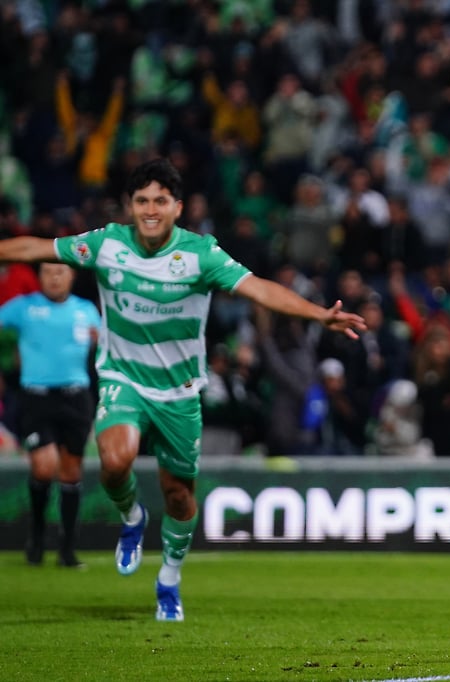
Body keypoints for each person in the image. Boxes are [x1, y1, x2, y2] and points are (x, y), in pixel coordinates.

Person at [0, 158, 365, 621]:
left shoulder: (201, 255)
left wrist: (318, 314)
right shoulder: (106, 244)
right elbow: (36, 248)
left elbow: (260, 290)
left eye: (159, 201)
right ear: (130, 207)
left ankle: (169, 578)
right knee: (114, 462)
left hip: (179, 392)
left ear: (176, 207)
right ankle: (132, 518)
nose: (150, 209)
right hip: (123, 379)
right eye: (141, 201)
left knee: (179, 496)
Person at [0, 263, 100, 567]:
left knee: (71, 472)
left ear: (71, 276)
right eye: (47, 272)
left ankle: (67, 548)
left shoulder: (87, 310)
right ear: (40, 277)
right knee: (44, 467)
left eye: (60, 272)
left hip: (76, 398)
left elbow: (103, 346)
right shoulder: (22, 308)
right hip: (36, 398)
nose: (54, 278)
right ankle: (37, 536)